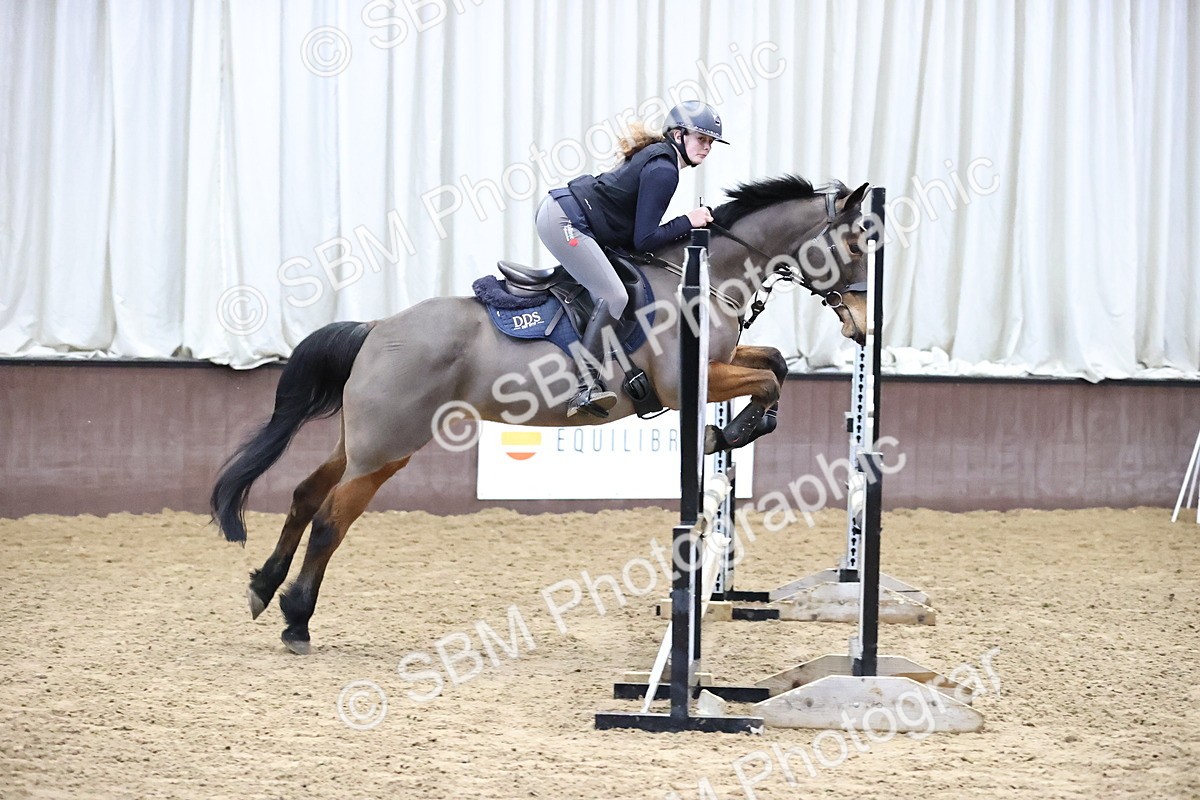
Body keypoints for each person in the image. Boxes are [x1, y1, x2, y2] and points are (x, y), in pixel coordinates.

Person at [535, 100, 729, 418]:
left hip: (567, 214)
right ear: (678, 135)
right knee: (614, 295)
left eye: (710, 142)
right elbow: (645, 239)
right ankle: (584, 386)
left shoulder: (662, 159)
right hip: (565, 221)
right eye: (701, 138)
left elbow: (637, 241)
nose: (707, 148)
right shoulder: (665, 170)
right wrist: (688, 220)